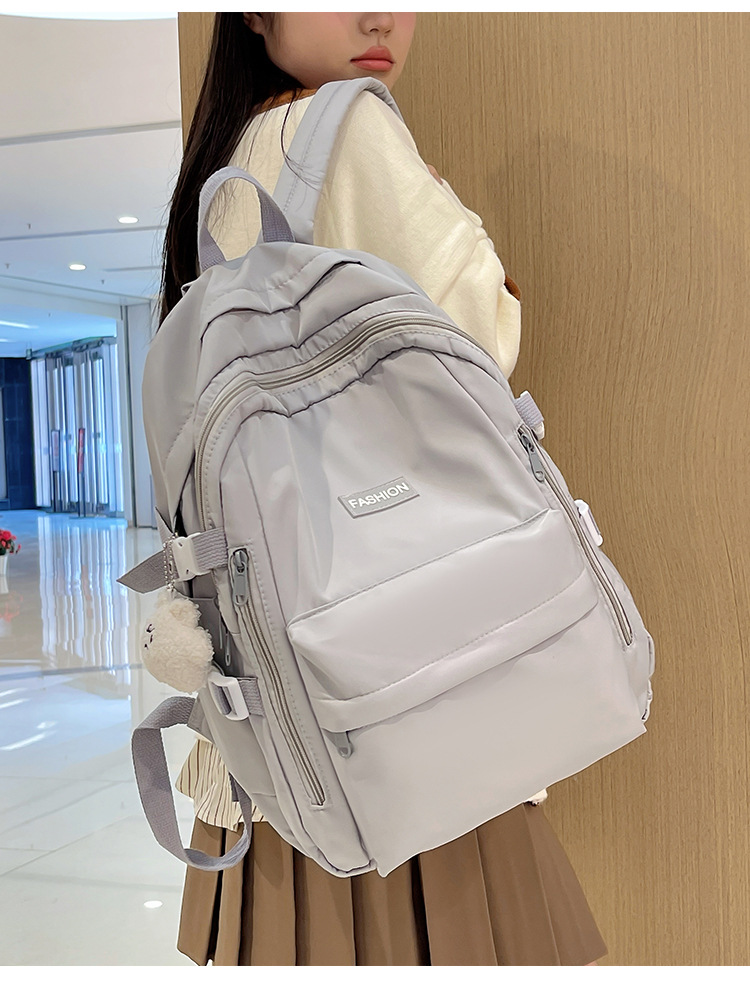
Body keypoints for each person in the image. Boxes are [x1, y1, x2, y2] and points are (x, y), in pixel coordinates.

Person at [159, 12, 606, 967]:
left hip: (279, 713)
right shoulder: (348, 123)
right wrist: (451, 217)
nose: (378, 16)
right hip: (403, 687)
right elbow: (477, 336)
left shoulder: (229, 156)